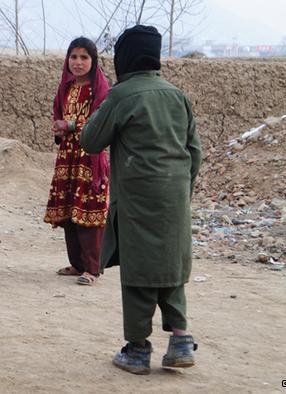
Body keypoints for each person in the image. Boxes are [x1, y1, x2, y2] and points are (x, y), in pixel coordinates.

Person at [81, 25, 202, 375]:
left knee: (137, 271)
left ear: (124, 58)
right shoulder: (177, 95)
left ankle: (137, 350)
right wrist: (181, 188)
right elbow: (194, 150)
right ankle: (180, 340)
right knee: (170, 265)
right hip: (175, 195)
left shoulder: (122, 95)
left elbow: (91, 140)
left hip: (136, 196)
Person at [44, 37, 110, 286]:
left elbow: (101, 122)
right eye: (73, 57)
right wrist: (59, 130)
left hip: (89, 159)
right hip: (67, 158)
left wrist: (69, 125)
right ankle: (77, 264)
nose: (78, 63)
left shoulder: (100, 90)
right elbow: (58, 114)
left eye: (84, 57)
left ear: (93, 61)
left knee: (89, 213)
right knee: (70, 212)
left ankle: (92, 269)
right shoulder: (66, 88)